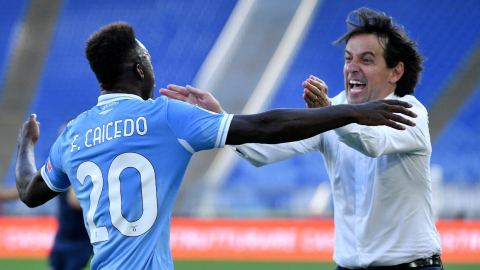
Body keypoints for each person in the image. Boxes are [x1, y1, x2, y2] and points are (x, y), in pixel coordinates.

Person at [15, 22, 416, 270]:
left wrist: (25, 146)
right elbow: (264, 126)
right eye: (148, 59)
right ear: (139, 69)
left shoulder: (73, 134)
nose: (152, 67)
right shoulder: (166, 117)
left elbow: (30, 193)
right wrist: (346, 112)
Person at [161, 8, 442, 270]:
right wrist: (219, 118)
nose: (352, 67)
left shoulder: (410, 112)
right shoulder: (333, 110)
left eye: (366, 60)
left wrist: (329, 113)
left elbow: (371, 142)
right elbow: (261, 153)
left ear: (396, 71)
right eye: (348, 58)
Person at [49, 122, 93, 270]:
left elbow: (74, 202)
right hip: (61, 238)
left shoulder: (87, 166)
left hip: (80, 242)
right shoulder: (58, 166)